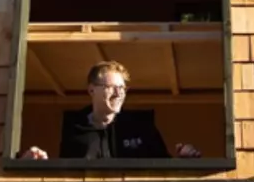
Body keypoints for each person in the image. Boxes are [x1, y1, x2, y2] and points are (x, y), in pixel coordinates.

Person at [18, 61, 202, 160]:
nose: (118, 94)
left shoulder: (141, 127)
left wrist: (185, 160)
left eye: (122, 88)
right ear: (91, 90)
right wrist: (37, 164)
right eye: (111, 87)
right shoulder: (74, 129)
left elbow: (163, 168)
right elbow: (65, 175)